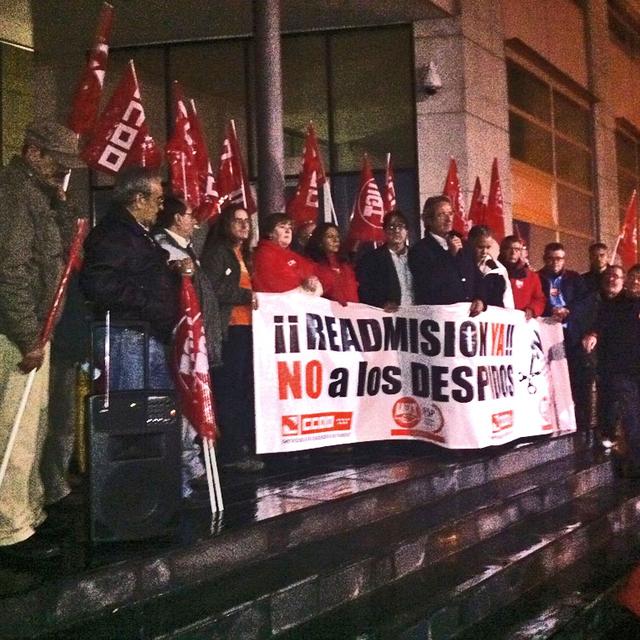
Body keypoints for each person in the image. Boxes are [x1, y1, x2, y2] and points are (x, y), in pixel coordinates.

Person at [0, 120, 84, 560]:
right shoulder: (14, 195)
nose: (63, 172)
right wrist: (28, 334)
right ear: (34, 153)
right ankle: (10, 526)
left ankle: (29, 512)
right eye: (58, 162)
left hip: (38, 327)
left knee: (34, 426)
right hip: (19, 332)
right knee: (13, 428)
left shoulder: (41, 195)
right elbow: (11, 270)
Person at [80, 167, 181, 396]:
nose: (161, 206)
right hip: (127, 338)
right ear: (138, 199)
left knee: (153, 414)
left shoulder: (135, 234)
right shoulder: (115, 234)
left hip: (142, 335)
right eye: (158, 199)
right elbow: (99, 283)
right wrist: (149, 303)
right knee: (131, 416)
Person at [153, 196, 223, 496]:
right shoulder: (164, 248)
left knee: (191, 402)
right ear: (176, 218)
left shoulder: (185, 247)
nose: (195, 221)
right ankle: (186, 470)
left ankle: (190, 465)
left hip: (197, 338)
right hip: (180, 341)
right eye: (190, 215)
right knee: (184, 401)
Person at [200, 204, 263, 471]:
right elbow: (212, 289)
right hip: (229, 329)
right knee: (230, 389)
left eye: (246, 221)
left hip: (248, 328)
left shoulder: (245, 255)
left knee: (243, 388)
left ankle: (242, 445)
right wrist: (246, 296)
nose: (243, 226)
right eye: (237, 221)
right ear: (225, 224)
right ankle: (232, 452)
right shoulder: (217, 253)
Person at [583, 265, 640, 475]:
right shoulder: (614, 304)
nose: (635, 283)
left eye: (639, 280)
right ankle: (635, 471)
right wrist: (593, 335)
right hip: (621, 371)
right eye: (632, 278)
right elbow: (599, 324)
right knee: (632, 418)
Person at [538, 242, 588, 427]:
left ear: (564, 259)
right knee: (551, 377)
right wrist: (552, 310)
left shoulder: (574, 278)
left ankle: (580, 423)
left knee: (577, 377)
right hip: (548, 336)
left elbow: (585, 302)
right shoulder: (538, 277)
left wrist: (568, 310)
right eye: (550, 258)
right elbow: (536, 299)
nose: (554, 262)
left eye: (558, 258)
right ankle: (552, 419)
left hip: (571, 334)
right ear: (545, 259)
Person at [408, 195, 485, 315]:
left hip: (467, 319)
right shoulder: (419, 250)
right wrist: (450, 255)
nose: (448, 219)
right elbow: (427, 285)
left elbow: (477, 277)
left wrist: (480, 299)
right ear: (429, 220)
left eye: (450, 213)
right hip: (440, 321)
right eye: (441, 214)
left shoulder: (465, 245)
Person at [356, 210, 414, 312]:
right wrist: (381, 304)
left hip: (417, 317)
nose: (396, 230)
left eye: (400, 226)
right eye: (391, 227)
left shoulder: (417, 256)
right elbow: (365, 292)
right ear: (384, 231)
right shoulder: (371, 259)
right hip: (388, 318)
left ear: (407, 231)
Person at [252, 212, 322, 294]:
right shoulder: (264, 254)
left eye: (290, 228)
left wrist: (312, 280)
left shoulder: (292, 254)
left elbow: (313, 272)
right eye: (282, 227)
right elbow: (275, 285)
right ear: (270, 233)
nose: (288, 231)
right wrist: (303, 287)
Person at [305, 222, 359, 305]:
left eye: (337, 236)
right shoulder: (311, 265)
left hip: (351, 314)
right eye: (330, 236)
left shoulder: (345, 265)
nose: (336, 240)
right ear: (319, 241)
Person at [498, 235, 546, 319]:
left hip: (519, 323)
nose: (513, 253)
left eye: (517, 249)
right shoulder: (490, 271)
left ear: (520, 252)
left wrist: (532, 309)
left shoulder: (531, 276)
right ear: (501, 250)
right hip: (496, 322)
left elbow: (539, 299)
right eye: (509, 248)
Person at [468, 225, 514, 309]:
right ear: (470, 243)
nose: (484, 251)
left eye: (488, 247)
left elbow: (507, 301)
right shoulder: (459, 264)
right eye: (480, 247)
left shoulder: (499, 269)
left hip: (490, 319)